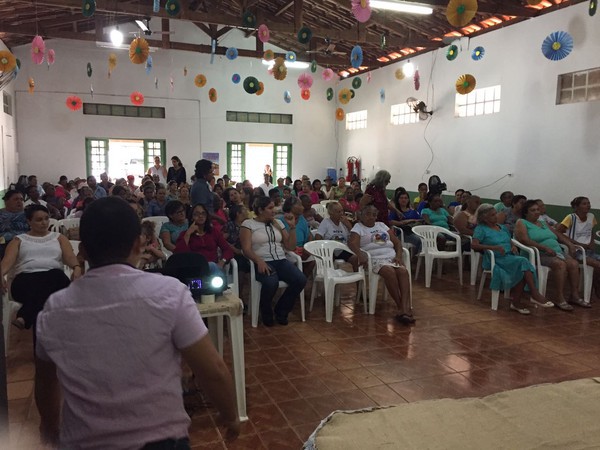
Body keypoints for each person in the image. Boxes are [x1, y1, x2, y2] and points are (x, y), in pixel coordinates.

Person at [34, 197, 239, 448]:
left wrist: (49, 425)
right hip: (161, 440)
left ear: (82, 250)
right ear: (138, 244)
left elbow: (45, 381)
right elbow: (213, 371)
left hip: (85, 442)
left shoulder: (54, 309)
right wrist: (231, 416)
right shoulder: (169, 293)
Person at [1, 204, 80, 332]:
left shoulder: (59, 238)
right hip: (25, 280)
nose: (44, 223)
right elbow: (7, 262)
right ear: (29, 221)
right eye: (39, 220)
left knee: (55, 275)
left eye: (46, 219)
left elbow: (70, 257)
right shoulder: (19, 240)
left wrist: (76, 267)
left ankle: (24, 315)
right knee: (47, 283)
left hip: (54, 280)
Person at [472, 204, 554, 314]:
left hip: (509, 257)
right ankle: (533, 294)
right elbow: (474, 245)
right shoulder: (481, 229)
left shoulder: (502, 227)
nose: (495, 216)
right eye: (492, 215)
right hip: (495, 259)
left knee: (522, 267)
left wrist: (513, 245)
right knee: (522, 262)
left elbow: (509, 239)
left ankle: (517, 302)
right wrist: (492, 247)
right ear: (484, 218)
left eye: (495, 214)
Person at [240, 196, 307, 326]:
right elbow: (246, 249)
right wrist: (258, 260)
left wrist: (292, 227)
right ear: (260, 210)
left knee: (300, 280)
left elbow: (290, 246)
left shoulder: (278, 223)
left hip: (281, 259)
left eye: (274, 208)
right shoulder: (248, 224)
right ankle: (266, 311)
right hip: (261, 260)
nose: (274, 211)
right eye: (270, 208)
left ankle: (281, 311)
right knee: (271, 282)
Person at [348, 205, 414, 324]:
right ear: (361, 215)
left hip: (391, 257)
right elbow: (352, 244)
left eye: (374, 214)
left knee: (403, 271)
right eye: (368, 214)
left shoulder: (381, 225)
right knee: (389, 272)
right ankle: (401, 307)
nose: (371, 217)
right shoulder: (358, 227)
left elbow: (397, 243)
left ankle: (405, 307)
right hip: (374, 259)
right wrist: (360, 255)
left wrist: (398, 256)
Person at [514, 200, 580, 311]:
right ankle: (559, 297)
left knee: (574, 263)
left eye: (538, 210)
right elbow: (524, 239)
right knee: (560, 264)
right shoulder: (522, 222)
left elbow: (558, 235)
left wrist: (569, 244)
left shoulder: (543, 223)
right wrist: (544, 248)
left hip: (556, 252)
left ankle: (574, 295)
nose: (536, 212)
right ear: (526, 212)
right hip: (537, 254)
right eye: (533, 210)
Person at [556, 196, 600, 306]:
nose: (588, 205)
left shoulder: (591, 216)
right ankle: (596, 289)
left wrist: (591, 242)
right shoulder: (571, 217)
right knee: (596, 264)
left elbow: (591, 230)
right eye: (584, 203)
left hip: (588, 250)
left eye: (588, 203)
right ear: (576, 207)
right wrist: (576, 243)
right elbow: (558, 233)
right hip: (575, 251)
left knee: (597, 265)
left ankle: (595, 288)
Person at [174, 203, 232, 278]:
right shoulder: (185, 234)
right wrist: (188, 233)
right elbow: (179, 254)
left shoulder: (213, 232)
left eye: (203, 213)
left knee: (212, 266)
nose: (200, 216)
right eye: (197, 214)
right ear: (191, 217)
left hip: (212, 268)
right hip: (193, 269)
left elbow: (228, 250)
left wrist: (222, 261)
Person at [315, 202, 358, 268]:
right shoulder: (326, 222)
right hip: (330, 250)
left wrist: (348, 225)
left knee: (355, 258)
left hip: (343, 249)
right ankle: (330, 274)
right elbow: (318, 236)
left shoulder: (344, 222)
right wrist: (323, 249)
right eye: (338, 212)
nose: (341, 213)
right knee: (330, 258)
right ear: (331, 214)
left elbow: (353, 237)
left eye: (342, 211)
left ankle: (356, 275)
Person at [388, 188, 423, 253]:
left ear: (408, 200)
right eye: (401, 198)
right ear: (398, 200)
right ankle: (416, 257)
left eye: (405, 198)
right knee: (419, 240)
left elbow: (420, 219)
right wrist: (404, 222)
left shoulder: (412, 211)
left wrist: (413, 221)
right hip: (402, 233)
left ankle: (418, 257)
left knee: (425, 239)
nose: (403, 200)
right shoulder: (395, 211)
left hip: (414, 231)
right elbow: (390, 221)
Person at [0, 190, 29, 258]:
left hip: (26, 242)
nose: (19, 202)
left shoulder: (29, 214)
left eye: (21, 199)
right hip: (4, 243)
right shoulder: (1, 214)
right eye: (16, 199)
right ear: (6, 201)